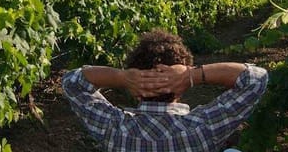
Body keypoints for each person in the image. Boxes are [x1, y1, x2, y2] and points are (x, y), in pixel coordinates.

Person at [62, 29, 268, 152]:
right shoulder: (203, 128)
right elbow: (256, 78)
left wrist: (122, 77)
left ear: (136, 89)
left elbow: (72, 82)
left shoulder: (114, 129)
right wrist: (192, 75)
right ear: (181, 87)